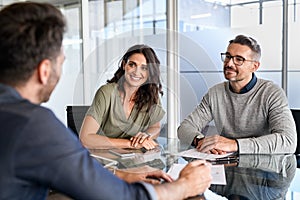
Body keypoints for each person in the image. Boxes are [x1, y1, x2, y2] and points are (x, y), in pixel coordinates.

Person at [0, 2, 212, 200]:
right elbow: (121, 197)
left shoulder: (15, 117)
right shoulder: (34, 125)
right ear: (44, 70)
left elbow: (71, 171)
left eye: (144, 68)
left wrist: (119, 174)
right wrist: (184, 185)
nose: (137, 72)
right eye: (62, 62)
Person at [178, 35, 297, 154]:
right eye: (228, 57)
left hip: (264, 167)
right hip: (225, 165)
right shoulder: (215, 93)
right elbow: (184, 128)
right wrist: (201, 141)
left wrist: (234, 144)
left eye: (239, 59)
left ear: (254, 66)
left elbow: (287, 141)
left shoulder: (271, 93)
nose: (229, 63)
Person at [80, 44, 165, 150]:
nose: (136, 72)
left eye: (144, 68)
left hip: (134, 160)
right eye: (132, 65)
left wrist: (146, 136)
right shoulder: (106, 93)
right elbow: (85, 139)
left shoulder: (152, 95)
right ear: (124, 65)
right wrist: (130, 144)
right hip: (104, 159)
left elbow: (155, 127)